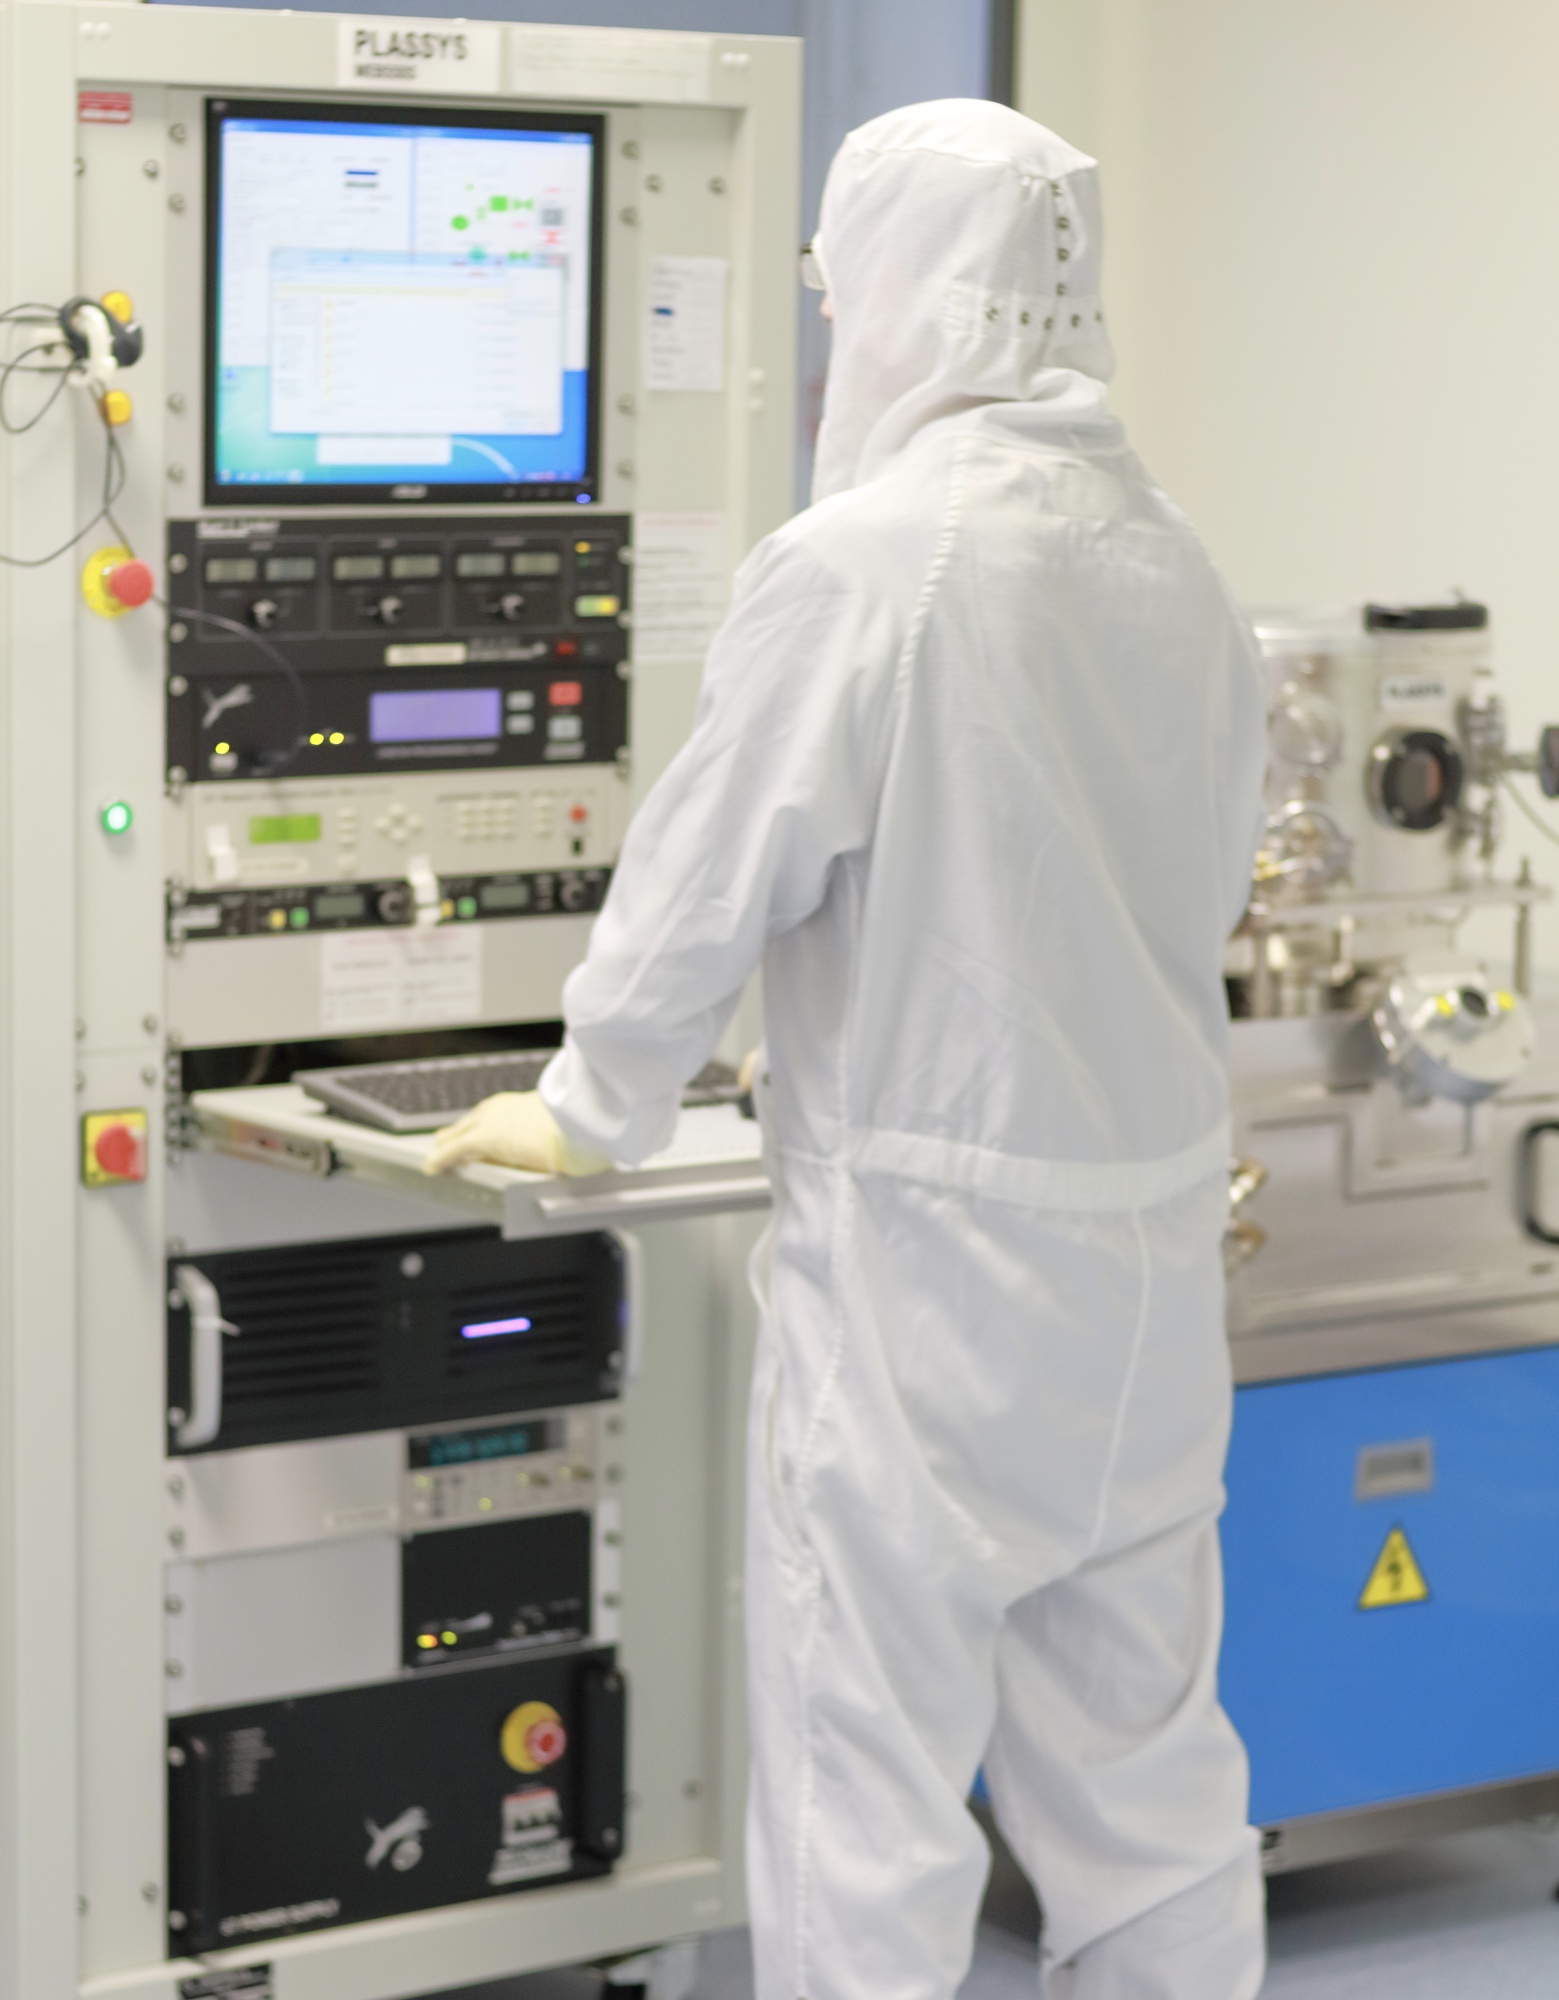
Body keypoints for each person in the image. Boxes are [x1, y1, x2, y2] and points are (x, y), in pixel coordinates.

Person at [427, 99, 1268, 2000]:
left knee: (861, 1791)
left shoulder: (865, 565)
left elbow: (705, 884)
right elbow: (1196, 883)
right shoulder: (1176, 561)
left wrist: (584, 1107)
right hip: (1143, 1271)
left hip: (927, 1285)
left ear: (894, 294)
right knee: (1149, 1793)